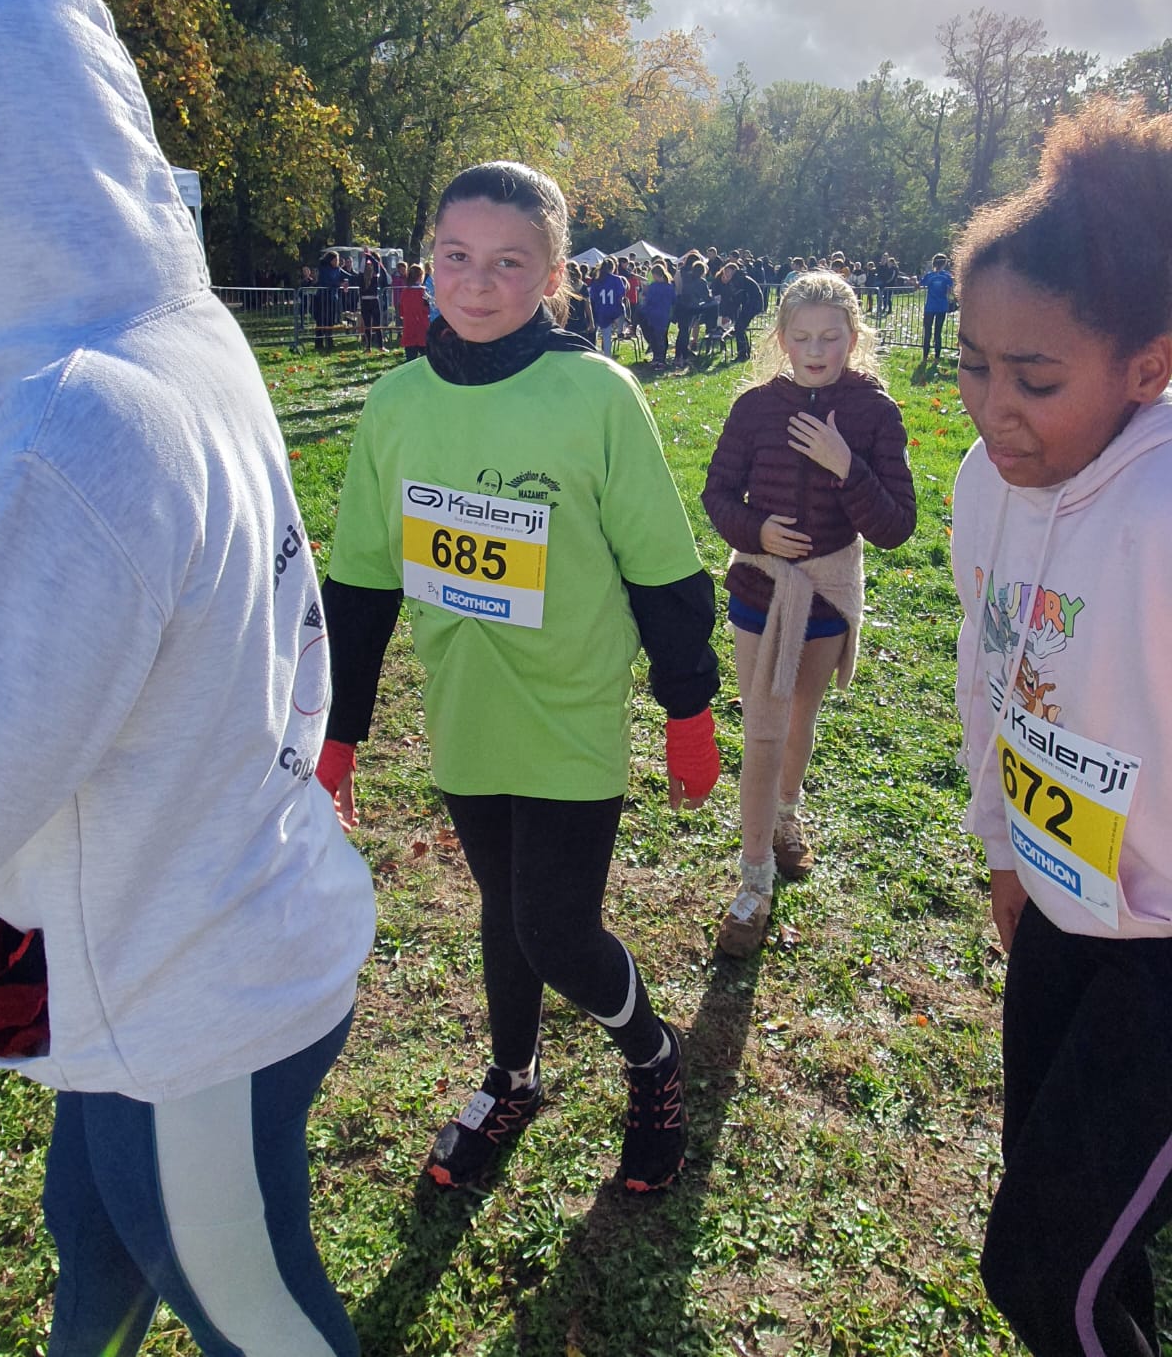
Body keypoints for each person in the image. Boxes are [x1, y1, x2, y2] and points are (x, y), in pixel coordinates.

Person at [0, 0, 376, 1355]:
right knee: (92, 1230)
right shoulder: (172, 333)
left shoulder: (77, 428)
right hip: (187, 923)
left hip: (187, 991)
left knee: (258, 1316)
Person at [318, 160, 721, 1194]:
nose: (478, 281)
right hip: (467, 708)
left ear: (552, 276)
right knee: (503, 906)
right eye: (457, 256)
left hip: (571, 710)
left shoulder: (596, 394)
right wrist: (339, 729)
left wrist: (688, 707)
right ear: (428, 264)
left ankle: (654, 1056)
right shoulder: (396, 404)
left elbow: (664, 571)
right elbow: (359, 585)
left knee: (556, 928)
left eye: (509, 262)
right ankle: (513, 1077)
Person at [951, 99, 1172, 1357]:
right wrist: (1004, 848)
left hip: (1164, 958)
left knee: (1043, 1277)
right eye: (973, 364)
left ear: (1149, 367)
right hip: (1058, 913)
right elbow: (989, 677)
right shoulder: (985, 485)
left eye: (1036, 381)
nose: (995, 410)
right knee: (1085, 1245)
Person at [701, 272, 916, 955]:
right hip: (760, 592)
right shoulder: (754, 409)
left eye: (830, 337)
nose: (816, 350)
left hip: (826, 595)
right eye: (802, 337)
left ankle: (786, 816)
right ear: (782, 340)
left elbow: (896, 526)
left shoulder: (874, 413)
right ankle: (753, 881)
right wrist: (757, 531)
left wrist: (846, 464)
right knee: (762, 733)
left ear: (854, 337)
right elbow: (716, 494)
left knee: (800, 717)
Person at [716, 260, 764, 362]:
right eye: (725, 272)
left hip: (752, 304)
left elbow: (737, 298)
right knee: (740, 327)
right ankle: (745, 352)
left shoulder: (738, 280)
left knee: (739, 327)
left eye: (728, 272)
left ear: (734, 271)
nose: (726, 274)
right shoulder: (738, 278)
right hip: (751, 304)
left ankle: (742, 354)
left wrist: (729, 312)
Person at [919, 252, 955, 366]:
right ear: (944, 264)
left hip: (930, 307)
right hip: (941, 307)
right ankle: (936, 358)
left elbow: (920, 284)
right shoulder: (947, 276)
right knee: (938, 332)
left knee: (927, 332)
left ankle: (925, 357)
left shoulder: (930, 275)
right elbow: (951, 288)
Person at [639, 260, 675, 369]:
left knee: (654, 338)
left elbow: (649, 300)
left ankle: (657, 359)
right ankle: (661, 359)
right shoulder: (670, 287)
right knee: (663, 337)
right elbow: (674, 300)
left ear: (655, 275)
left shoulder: (654, 286)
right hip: (665, 315)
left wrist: (644, 297)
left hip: (653, 315)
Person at [590, 254, 627, 356]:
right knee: (623, 309)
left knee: (601, 335)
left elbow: (593, 297)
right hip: (613, 310)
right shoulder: (617, 279)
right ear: (613, 268)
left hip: (600, 311)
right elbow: (621, 296)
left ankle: (600, 355)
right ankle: (620, 331)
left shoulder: (597, 280)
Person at [314, 250, 346, 351]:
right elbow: (325, 281)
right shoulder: (323, 268)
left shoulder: (338, 269)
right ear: (330, 260)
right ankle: (319, 343)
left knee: (330, 321)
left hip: (332, 299)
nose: (337, 261)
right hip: (322, 298)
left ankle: (329, 341)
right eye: (336, 259)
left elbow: (348, 276)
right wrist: (339, 284)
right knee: (321, 321)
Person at [399, 261, 430, 360]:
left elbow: (401, 310)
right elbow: (427, 309)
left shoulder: (405, 292)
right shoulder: (423, 292)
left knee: (410, 359)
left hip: (409, 327)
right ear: (420, 276)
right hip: (422, 328)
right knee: (426, 359)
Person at [360, 250, 387, 350]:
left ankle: (368, 347)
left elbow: (364, 267)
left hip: (364, 302)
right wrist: (369, 256)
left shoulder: (361, 275)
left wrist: (365, 257)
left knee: (368, 326)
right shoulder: (375, 276)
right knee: (376, 325)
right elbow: (376, 264)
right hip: (373, 301)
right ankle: (380, 346)